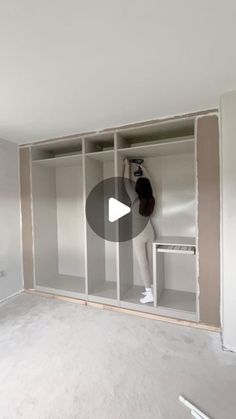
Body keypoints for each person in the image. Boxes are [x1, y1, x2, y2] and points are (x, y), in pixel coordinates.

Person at [123, 158, 156, 304]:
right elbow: (151, 182)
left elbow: (125, 181)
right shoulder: (151, 198)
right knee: (152, 263)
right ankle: (152, 288)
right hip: (150, 232)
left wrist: (126, 165)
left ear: (137, 189)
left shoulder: (134, 198)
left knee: (143, 264)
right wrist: (143, 168)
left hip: (138, 235)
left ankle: (149, 294)